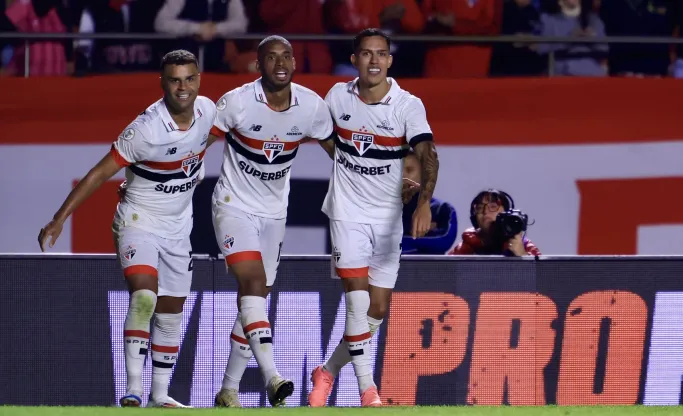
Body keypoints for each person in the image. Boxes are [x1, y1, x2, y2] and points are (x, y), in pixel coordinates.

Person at [37, 50, 215, 408]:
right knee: (145, 296)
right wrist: (59, 218)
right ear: (162, 82)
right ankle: (133, 389)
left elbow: (206, 140)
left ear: (199, 79)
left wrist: (192, 172)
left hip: (179, 228)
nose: (183, 87)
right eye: (174, 79)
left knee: (171, 311)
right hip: (139, 221)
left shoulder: (208, 111)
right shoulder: (145, 129)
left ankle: (160, 395)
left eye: (189, 78)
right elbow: (98, 174)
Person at [308, 28, 440, 407]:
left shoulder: (407, 105)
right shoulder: (337, 96)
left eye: (381, 54)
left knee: (377, 309)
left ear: (390, 60)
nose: (374, 61)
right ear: (355, 61)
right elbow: (320, 131)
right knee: (357, 303)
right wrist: (344, 159)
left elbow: (428, 154)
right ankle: (368, 391)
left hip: (387, 218)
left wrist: (424, 202)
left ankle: (328, 371)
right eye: (366, 54)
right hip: (346, 213)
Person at [206, 35, 335, 408]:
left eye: (286, 56)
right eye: (271, 57)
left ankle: (228, 391)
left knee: (255, 299)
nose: (280, 63)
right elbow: (197, 146)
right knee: (253, 283)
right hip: (232, 206)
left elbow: (341, 157)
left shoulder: (311, 106)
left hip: (274, 215)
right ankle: (272, 377)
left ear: (294, 62)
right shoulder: (237, 103)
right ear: (258, 65)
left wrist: (386, 181)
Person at [449, 189, 541, 256]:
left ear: (506, 213)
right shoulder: (464, 248)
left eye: (493, 206)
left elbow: (543, 277)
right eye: (480, 208)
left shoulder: (523, 244)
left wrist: (523, 255)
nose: (485, 211)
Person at [401, 151, 457, 254]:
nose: (402, 176)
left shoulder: (442, 209)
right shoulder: (379, 209)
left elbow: (443, 242)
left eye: (409, 170)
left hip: (428, 270)